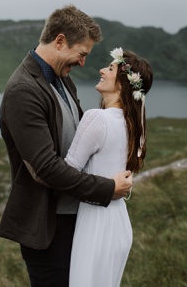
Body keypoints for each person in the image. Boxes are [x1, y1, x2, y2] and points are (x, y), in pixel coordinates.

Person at [0, 5, 133, 287]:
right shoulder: (24, 90)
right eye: (81, 54)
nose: (83, 63)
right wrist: (108, 188)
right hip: (49, 228)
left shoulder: (63, 81)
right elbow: (45, 168)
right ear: (59, 41)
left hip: (78, 221)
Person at [65, 47, 153, 286]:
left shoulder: (97, 118)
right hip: (119, 223)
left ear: (123, 85)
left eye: (111, 68)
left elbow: (66, 172)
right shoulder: (135, 125)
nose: (102, 70)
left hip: (95, 223)